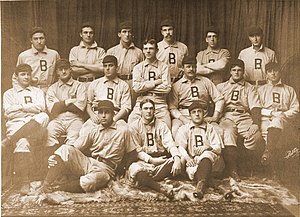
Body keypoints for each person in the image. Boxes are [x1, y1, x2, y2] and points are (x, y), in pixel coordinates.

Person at [37, 100, 136, 196]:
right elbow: (76, 147)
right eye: (101, 112)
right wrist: (55, 156)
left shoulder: (123, 130)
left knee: (90, 181)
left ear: (113, 114)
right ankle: (46, 185)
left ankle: (58, 188)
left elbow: (132, 153)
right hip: (89, 162)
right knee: (65, 149)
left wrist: (122, 171)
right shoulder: (94, 130)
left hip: (106, 169)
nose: (103, 115)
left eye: (107, 112)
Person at [2, 64, 49, 195]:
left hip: (34, 124)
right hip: (16, 124)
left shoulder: (37, 92)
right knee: (23, 142)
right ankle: (24, 182)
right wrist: (29, 109)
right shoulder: (9, 94)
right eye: (23, 74)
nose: (26, 77)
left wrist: (20, 108)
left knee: (44, 116)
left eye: (28, 74)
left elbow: (42, 108)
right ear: (16, 77)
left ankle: (9, 140)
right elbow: (9, 113)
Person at [217, 59, 265, 182]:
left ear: (243, 72)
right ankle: (232, 169)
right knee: (228, 132)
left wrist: (255, 123)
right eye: (234, 70)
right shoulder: (221, 86)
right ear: (230, 72)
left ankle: (244, 165)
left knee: (256, 136)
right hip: (227, 115)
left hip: (243, 115)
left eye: (239, 70)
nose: (237, 72)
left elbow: (255, 106)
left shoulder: (249, 87)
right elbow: (215, 104)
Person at [128, 99, 181, 199]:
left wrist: (177, 158)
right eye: (145, 108)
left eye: (151, 108)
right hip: (143, 161)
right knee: (136, 171)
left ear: (154, 110)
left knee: (180, 162)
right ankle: (160, 188)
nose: (149, 111)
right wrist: (151, 160)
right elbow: (137, 151)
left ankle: (150, 179)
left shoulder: (161, 125)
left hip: (160, 160)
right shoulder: (134, 126)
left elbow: (170, 144)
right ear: (140, 110)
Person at [74, 55, 131, 147]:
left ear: (116, 68)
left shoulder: (123, 85)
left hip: (116, 116)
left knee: (125, 130)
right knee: (85, 130)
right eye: (105, 66)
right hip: (98, 115)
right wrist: (92, 115)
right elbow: (88, 103)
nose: (107, 68)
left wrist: (114, 119)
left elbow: (126, 107)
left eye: (111, 65)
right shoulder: (95, 83)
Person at [176, 101, 222, 199]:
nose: (197, 114)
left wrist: (208, 147)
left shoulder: (210, 128)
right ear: (190, 115)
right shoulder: (184, 129)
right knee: (194, 171)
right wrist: (188, 159)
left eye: (199, 111)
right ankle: (209, 183)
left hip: (210, 160)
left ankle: (200, 188)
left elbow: (218, 148)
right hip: (194, 161)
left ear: (204, 113)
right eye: (194, 112)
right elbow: (181, 148)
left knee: (206, 156)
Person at [168, 55, 224, 136]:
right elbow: (172, 108)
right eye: (188, 67)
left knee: (218, 130)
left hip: (203, 115)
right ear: (182, 68)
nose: (191, 69)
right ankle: (179, 148)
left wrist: (215, 116)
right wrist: (184, 119)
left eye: (193, 67)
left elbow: (219, 99)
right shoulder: (177, 85)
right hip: (184, 115)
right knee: (175, 129)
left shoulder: (205, 81)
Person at [258, 62, 299, 169]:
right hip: (266, 119)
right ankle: (273, 170)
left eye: (275, 71)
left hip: (284, 119)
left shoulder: (289, 89)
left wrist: (283, 114)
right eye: (270, 71)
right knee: (268, 136)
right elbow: (257, 109)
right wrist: (270, 113)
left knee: (277, 123)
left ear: (279, 72)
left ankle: (268, 154)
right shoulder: (261, 90)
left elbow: (296, 108)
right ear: (266, 74)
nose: (273, 74)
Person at [46, 59, 87, 153]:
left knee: (74, 138)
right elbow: (52, 110)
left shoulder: (79, 86)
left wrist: (60, 104)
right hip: (57, 120)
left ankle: (67, 163)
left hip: (75, 119)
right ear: (57, 72)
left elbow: (79, 108)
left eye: (66, 69)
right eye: (60, 69)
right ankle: (53, 160)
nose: (63, 71)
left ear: (70, 70)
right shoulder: (52, 88)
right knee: (49, 132)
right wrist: (68, 102)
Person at [128, 39, 172, 129]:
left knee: (167, 127)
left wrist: (144, 85)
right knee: (131, 123)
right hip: (142, 101)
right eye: (146, 48)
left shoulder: (164, 67)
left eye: (151, 48)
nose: (148, 51)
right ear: (143, 50)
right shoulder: (138, 68)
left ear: (157, 50)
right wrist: (156, 82)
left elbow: (167, 88)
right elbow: (136, 88)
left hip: (159, 103)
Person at [107, 21, 143, 106]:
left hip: (132, 83)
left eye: (129, 32)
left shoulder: (138, 52)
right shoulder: (111, 51)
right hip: (116, 82)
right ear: (119, 34)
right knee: (117, 106)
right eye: (124, 32)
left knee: (131, 107)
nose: (127, 34)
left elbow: (143, 72)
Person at [15, 27, 60, 92]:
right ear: (31, 40)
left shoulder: (54, 54)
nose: (39, 42)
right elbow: (16, 77)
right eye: (35, 39)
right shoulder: (23, 56)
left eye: (41, 38)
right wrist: (20, 93)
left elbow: (59, 74)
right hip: (31, 91)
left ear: (45, 38)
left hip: (50, 90)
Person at [157, 19, 188, 83]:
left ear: (174, 30)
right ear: (161, 32)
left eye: (170, 29)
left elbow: (187, 66)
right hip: (162, 82)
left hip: (179, 81)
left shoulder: (183, 47)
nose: (168, 32)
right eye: (165, 30)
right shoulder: (157, 47)